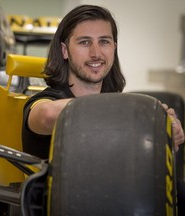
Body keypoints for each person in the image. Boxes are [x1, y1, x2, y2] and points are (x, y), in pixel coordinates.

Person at [22, 5, 184, 159]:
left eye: (104, 41)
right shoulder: (46, 101)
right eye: (84, 42)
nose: (96, 53)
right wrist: (140, 111)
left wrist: (166, 129)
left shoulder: (116, 106)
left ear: (114, 47)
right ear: (65, 51)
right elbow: (47, 115)